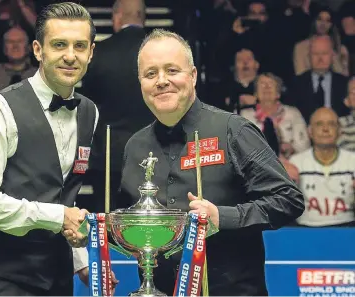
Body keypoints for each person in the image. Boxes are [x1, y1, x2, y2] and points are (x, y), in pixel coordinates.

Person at [118, 29, 305, 295]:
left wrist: (223, 217)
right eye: (151, 74)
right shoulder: (135, 147)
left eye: (172, 70)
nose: (161, 81)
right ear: (140, 83)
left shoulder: (234, 131)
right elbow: (128, 217)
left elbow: (288, 199)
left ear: (193, 76)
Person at [0, 2, 117, 296]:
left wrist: (81, 260)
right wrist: (58, 217)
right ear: (38, 50)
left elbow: (64, 194)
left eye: (79, 46)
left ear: (91, 53)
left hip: (57, 278)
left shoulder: (90, 113)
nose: (70, 56)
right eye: (59, 44)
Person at [79, 0, 154, 212]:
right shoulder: (160, 54)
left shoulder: (99, 53)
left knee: (107, 218)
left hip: (108, 153)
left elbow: (88, 102)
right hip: (153, 150)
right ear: (143, 17)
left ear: (117, 16)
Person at [290, 107, 355, 227]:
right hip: (305, 231)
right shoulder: (296, 163)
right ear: (309, 131)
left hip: (347, 230)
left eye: (331, 124)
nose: (325, 129)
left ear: (340, 131)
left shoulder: (352, 161)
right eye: (319, 124)